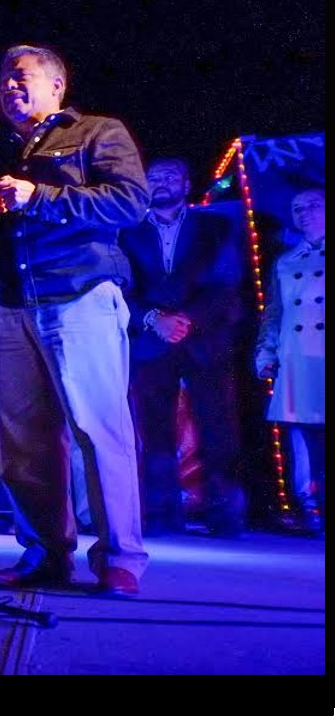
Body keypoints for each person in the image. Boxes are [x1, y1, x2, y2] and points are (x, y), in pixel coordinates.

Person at [0, 44, 150, 596]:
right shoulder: (6, 153)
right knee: (23, 442)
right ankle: (45, 554)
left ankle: (120, 559)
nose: (8, 86)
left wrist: (40, 196)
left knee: (99, 430)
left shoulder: (98, 131)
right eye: (3, 78)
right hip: (15, 305)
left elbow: (129, 203)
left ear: (57, 85)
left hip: (79, 296)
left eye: (20, 76)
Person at [120, 157, 248, 537]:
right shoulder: (125, 232)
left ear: (186, 183)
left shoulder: (216, 226)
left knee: (218, 426)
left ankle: (224, 515)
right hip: (150, 341)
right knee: (154, 430)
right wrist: (152, 319)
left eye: (169, 176)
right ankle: (163, 515)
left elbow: (227, 282)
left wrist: (186, 320)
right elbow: (118, 286)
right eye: (153, 177)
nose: (160, 182)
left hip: (206, 339)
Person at [255, 187, 325, 536]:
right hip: (296, 356)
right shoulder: (286, 260)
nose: (304, 213)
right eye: (297, 208)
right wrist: (265, 353)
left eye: (313, 205)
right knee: (300, 436)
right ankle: (309, 506)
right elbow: (275, 312)